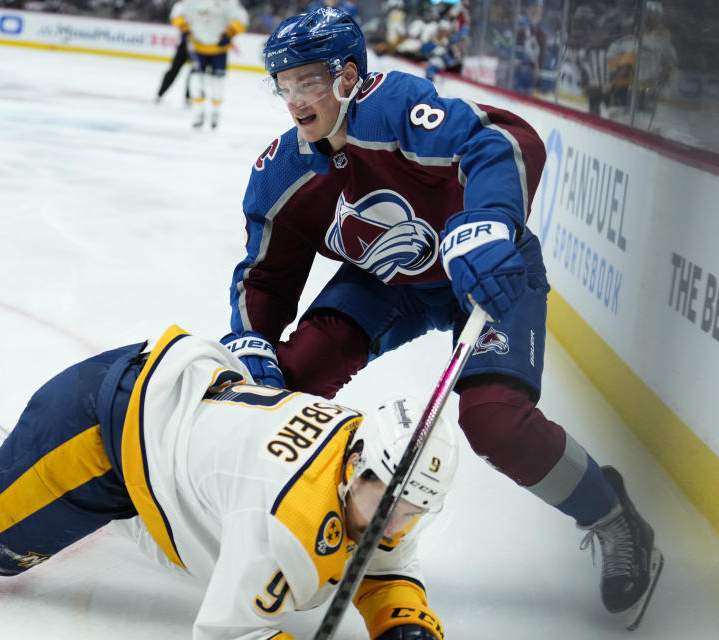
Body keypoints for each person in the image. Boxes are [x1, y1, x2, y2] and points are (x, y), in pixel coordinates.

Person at [221, 6, 663, 631]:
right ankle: (286, 512)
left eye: (309, 81)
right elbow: (265, 275)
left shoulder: (395, 107)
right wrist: (251, 340)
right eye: (284, 84)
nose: (295, 99)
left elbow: (506, 140)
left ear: (348, 76)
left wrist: (490, 223)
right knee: (283, 381)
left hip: (479, 268)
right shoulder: (284, 173)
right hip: (387, 283)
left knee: (495, 423)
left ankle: (613, 515)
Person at [0, 325, 459, 640]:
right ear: (361, 465)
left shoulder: (362, 449)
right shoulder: (283, 519)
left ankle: (19, 451)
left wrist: (404, 626)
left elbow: (388, 558)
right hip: (98, 431)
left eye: (415, 510)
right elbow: (230, 632)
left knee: (179, 543)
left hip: (168, 415)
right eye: (391, 502)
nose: (398, 522)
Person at [170, 0, 249, 130]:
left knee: (217, 83)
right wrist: (183, 27)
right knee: (195, 81)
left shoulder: (229, 2)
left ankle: (215, 112)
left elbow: (241, 17)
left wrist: (230, 33)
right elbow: (178, 11)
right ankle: (198, 112)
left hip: (219, 51)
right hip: (198, 48)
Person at [156, 1, 192, 106]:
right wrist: (186, 31)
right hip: (185, 44)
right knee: (174, 70)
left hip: (200, 46)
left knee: (195, 74)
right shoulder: (184, 4)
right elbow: (176, 17)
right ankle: (160, 93)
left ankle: (189, 98)